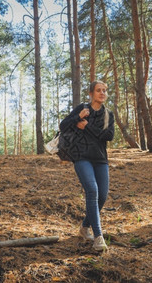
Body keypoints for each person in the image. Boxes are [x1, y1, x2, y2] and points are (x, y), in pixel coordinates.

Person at [59, 81, 115, 251]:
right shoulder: (82, 109)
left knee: (102, 196)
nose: (102, 93)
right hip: (81, 157)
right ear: (91, 93)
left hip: (100, 159)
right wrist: (77, 117)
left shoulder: (108, 114)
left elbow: (109, 136)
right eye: (98, 90)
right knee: (92, 191)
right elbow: (63, 125)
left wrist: (87, 126)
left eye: (104, 90)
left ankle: (84, 227)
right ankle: (98, 236)